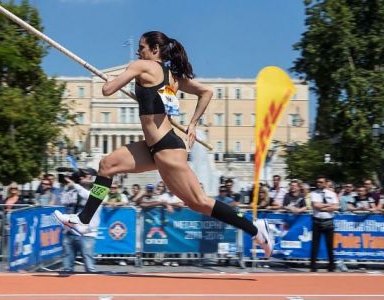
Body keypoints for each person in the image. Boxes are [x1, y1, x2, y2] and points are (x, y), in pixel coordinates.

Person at [54, 31, 272, 258]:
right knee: (107, 165)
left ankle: (256, 229)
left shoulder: (140, 66)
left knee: (199, 202)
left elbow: (107, 90)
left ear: (155, 50)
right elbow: (205, 92)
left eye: (142, 47)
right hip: (152, 147)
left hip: (167, 148)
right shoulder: (172, 77)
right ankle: (84, 220)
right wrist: (192, 123)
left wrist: (115, 82)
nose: (139, 51)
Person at [60, 177, 99, 273]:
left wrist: (74, 184)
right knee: (67, 268)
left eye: (86, 176)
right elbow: (63, 201)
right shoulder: (75, 192)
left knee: (89, 268)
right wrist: (66, 188)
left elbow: (87, 195)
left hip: (87, 234)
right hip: (70, 233)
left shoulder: (97, 193)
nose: (82, 177)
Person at [310, 176, 339, 272]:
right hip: (317, 221)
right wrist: (328, 206)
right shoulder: (314, 194)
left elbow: (336, 207)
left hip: (328, 221)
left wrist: (324, 207)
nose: (319, 184)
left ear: (326, 183)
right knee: (315, 245)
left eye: (321, 182)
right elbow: (316, 206)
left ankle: (331, 266)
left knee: (329, 245)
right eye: (318, 182)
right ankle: (313, 266)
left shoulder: (332, 194)